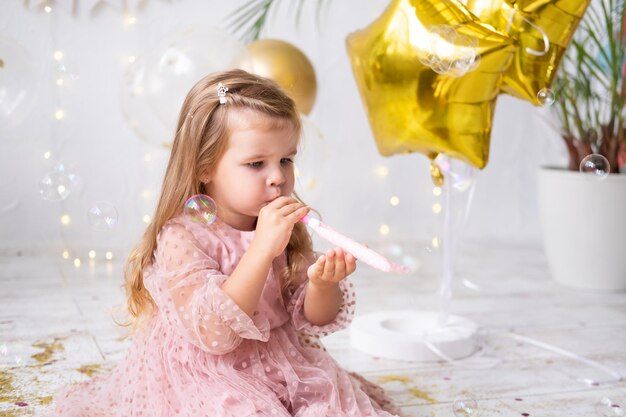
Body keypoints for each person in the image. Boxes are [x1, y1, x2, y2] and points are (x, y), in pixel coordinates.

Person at [45, 69, 402, 417]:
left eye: (286, 159)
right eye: (256, 163)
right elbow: (215, 335)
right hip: (210, 368)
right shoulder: (183, 236)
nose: (278, 177)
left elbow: (312, 317)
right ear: (204, 167)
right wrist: (262, 250)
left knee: (332, 405)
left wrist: (322, 286)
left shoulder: (284, 226)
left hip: (281, 358)